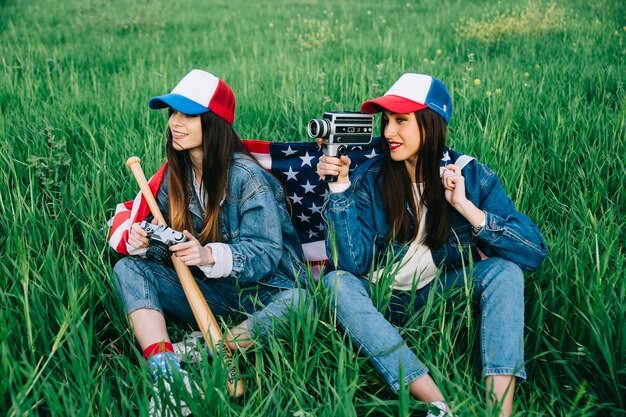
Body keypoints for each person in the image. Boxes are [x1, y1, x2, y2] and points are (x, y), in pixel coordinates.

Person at [316, 73, 547, 417]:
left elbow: (533, 252)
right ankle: (437, 404)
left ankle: (500, 411)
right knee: (335, 283)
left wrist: (466, 208)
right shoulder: (370, 177)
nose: (389, 132)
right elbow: (352, 264)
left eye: (401, 120)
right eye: (386, 121)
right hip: (379, 298)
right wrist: (340, 189)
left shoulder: (470, 175)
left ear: (431, 124)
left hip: (436, 296)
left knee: (505, 271)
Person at [109, 69, 307, 416]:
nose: (175, 123)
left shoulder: (249, 180)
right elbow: (172, 246)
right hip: (210, 291)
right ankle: (167, 373)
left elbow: (265, 254)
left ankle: (207, 351)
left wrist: (205, 254)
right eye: (173, 113)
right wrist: (144, 240)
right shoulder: (176, 173)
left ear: (213, 123)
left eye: (188, 114)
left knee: (302, 303)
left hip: (263, 294)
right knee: (128, 266)